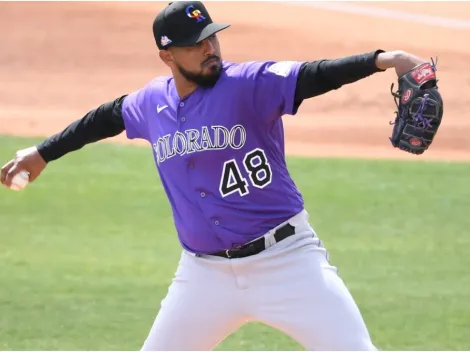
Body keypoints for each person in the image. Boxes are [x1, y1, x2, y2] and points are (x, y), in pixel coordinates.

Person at [1, 1, 429, 350]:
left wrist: (384, 60)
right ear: (167, 55)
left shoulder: (248, 83)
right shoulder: (150, 103)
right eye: (194, 45)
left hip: (289, 263)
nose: (210, 50)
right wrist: (42, 152)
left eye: (211, 37)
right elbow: (104, 118)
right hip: (203, 277)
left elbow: (314, 74)